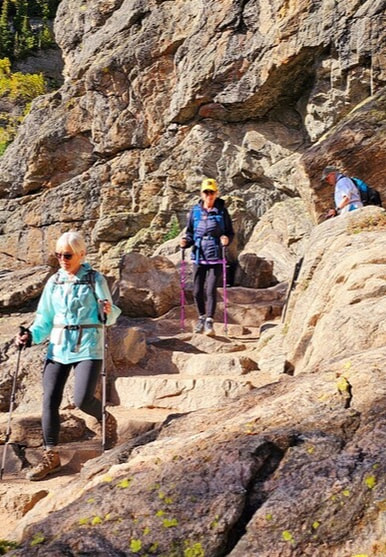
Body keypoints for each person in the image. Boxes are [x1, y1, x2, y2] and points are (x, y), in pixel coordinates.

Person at [16, 231, 121, 481]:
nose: (62, 259)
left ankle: (104, 418)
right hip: (59, 346)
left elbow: (111, 313)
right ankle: (50, 454)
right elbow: (44, 318)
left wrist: (108, 311)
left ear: (81, 255)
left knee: (82, 399)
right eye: (59, 254)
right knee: (50, 398)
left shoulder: (94, 279)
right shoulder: (54, 282)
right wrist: (30, 335)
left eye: (67, 255)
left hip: (87, 345)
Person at [180, 178, 234, 336]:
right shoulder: (195, 212)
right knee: (197, 291)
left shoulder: (222, 212)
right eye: (206, 192)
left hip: (216, 256)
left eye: (212, 192)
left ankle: (209, 322)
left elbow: (230, 232)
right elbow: (190, 233)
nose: (209, 195)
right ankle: (201, 318)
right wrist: (185, 241)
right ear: (201, 194)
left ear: (216, 193)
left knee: (210, 290)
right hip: (198, 255)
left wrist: (227, 239)